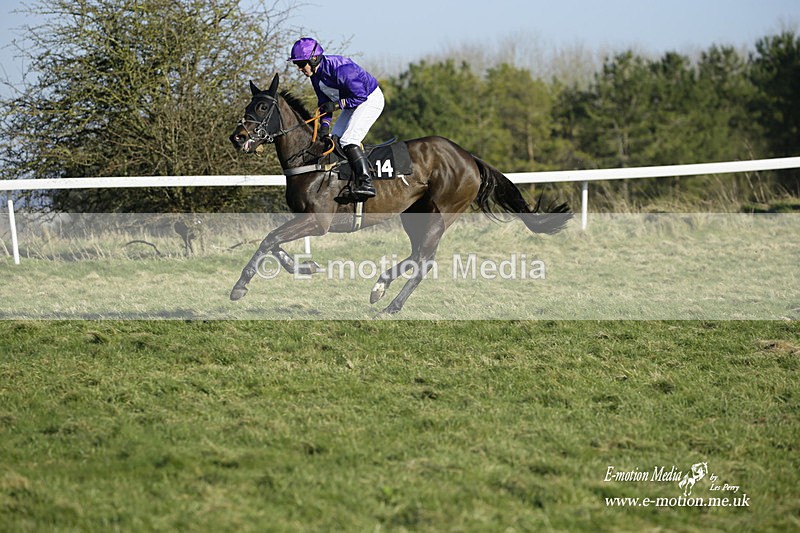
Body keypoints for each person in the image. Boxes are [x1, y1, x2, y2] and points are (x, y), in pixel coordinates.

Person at [288, 37, 384, 199]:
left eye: (300, 64)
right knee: (335, 139)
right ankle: (346, 179)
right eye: (296, 64)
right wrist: (325, 125)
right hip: (353, 101)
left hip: (369, 99)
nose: (299, 68)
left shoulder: (342, 70)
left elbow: (360, 96)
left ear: (313, 58)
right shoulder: (315, 75)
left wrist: (337, 105)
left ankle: (366, 182)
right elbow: (325, 102)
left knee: (348, 140)